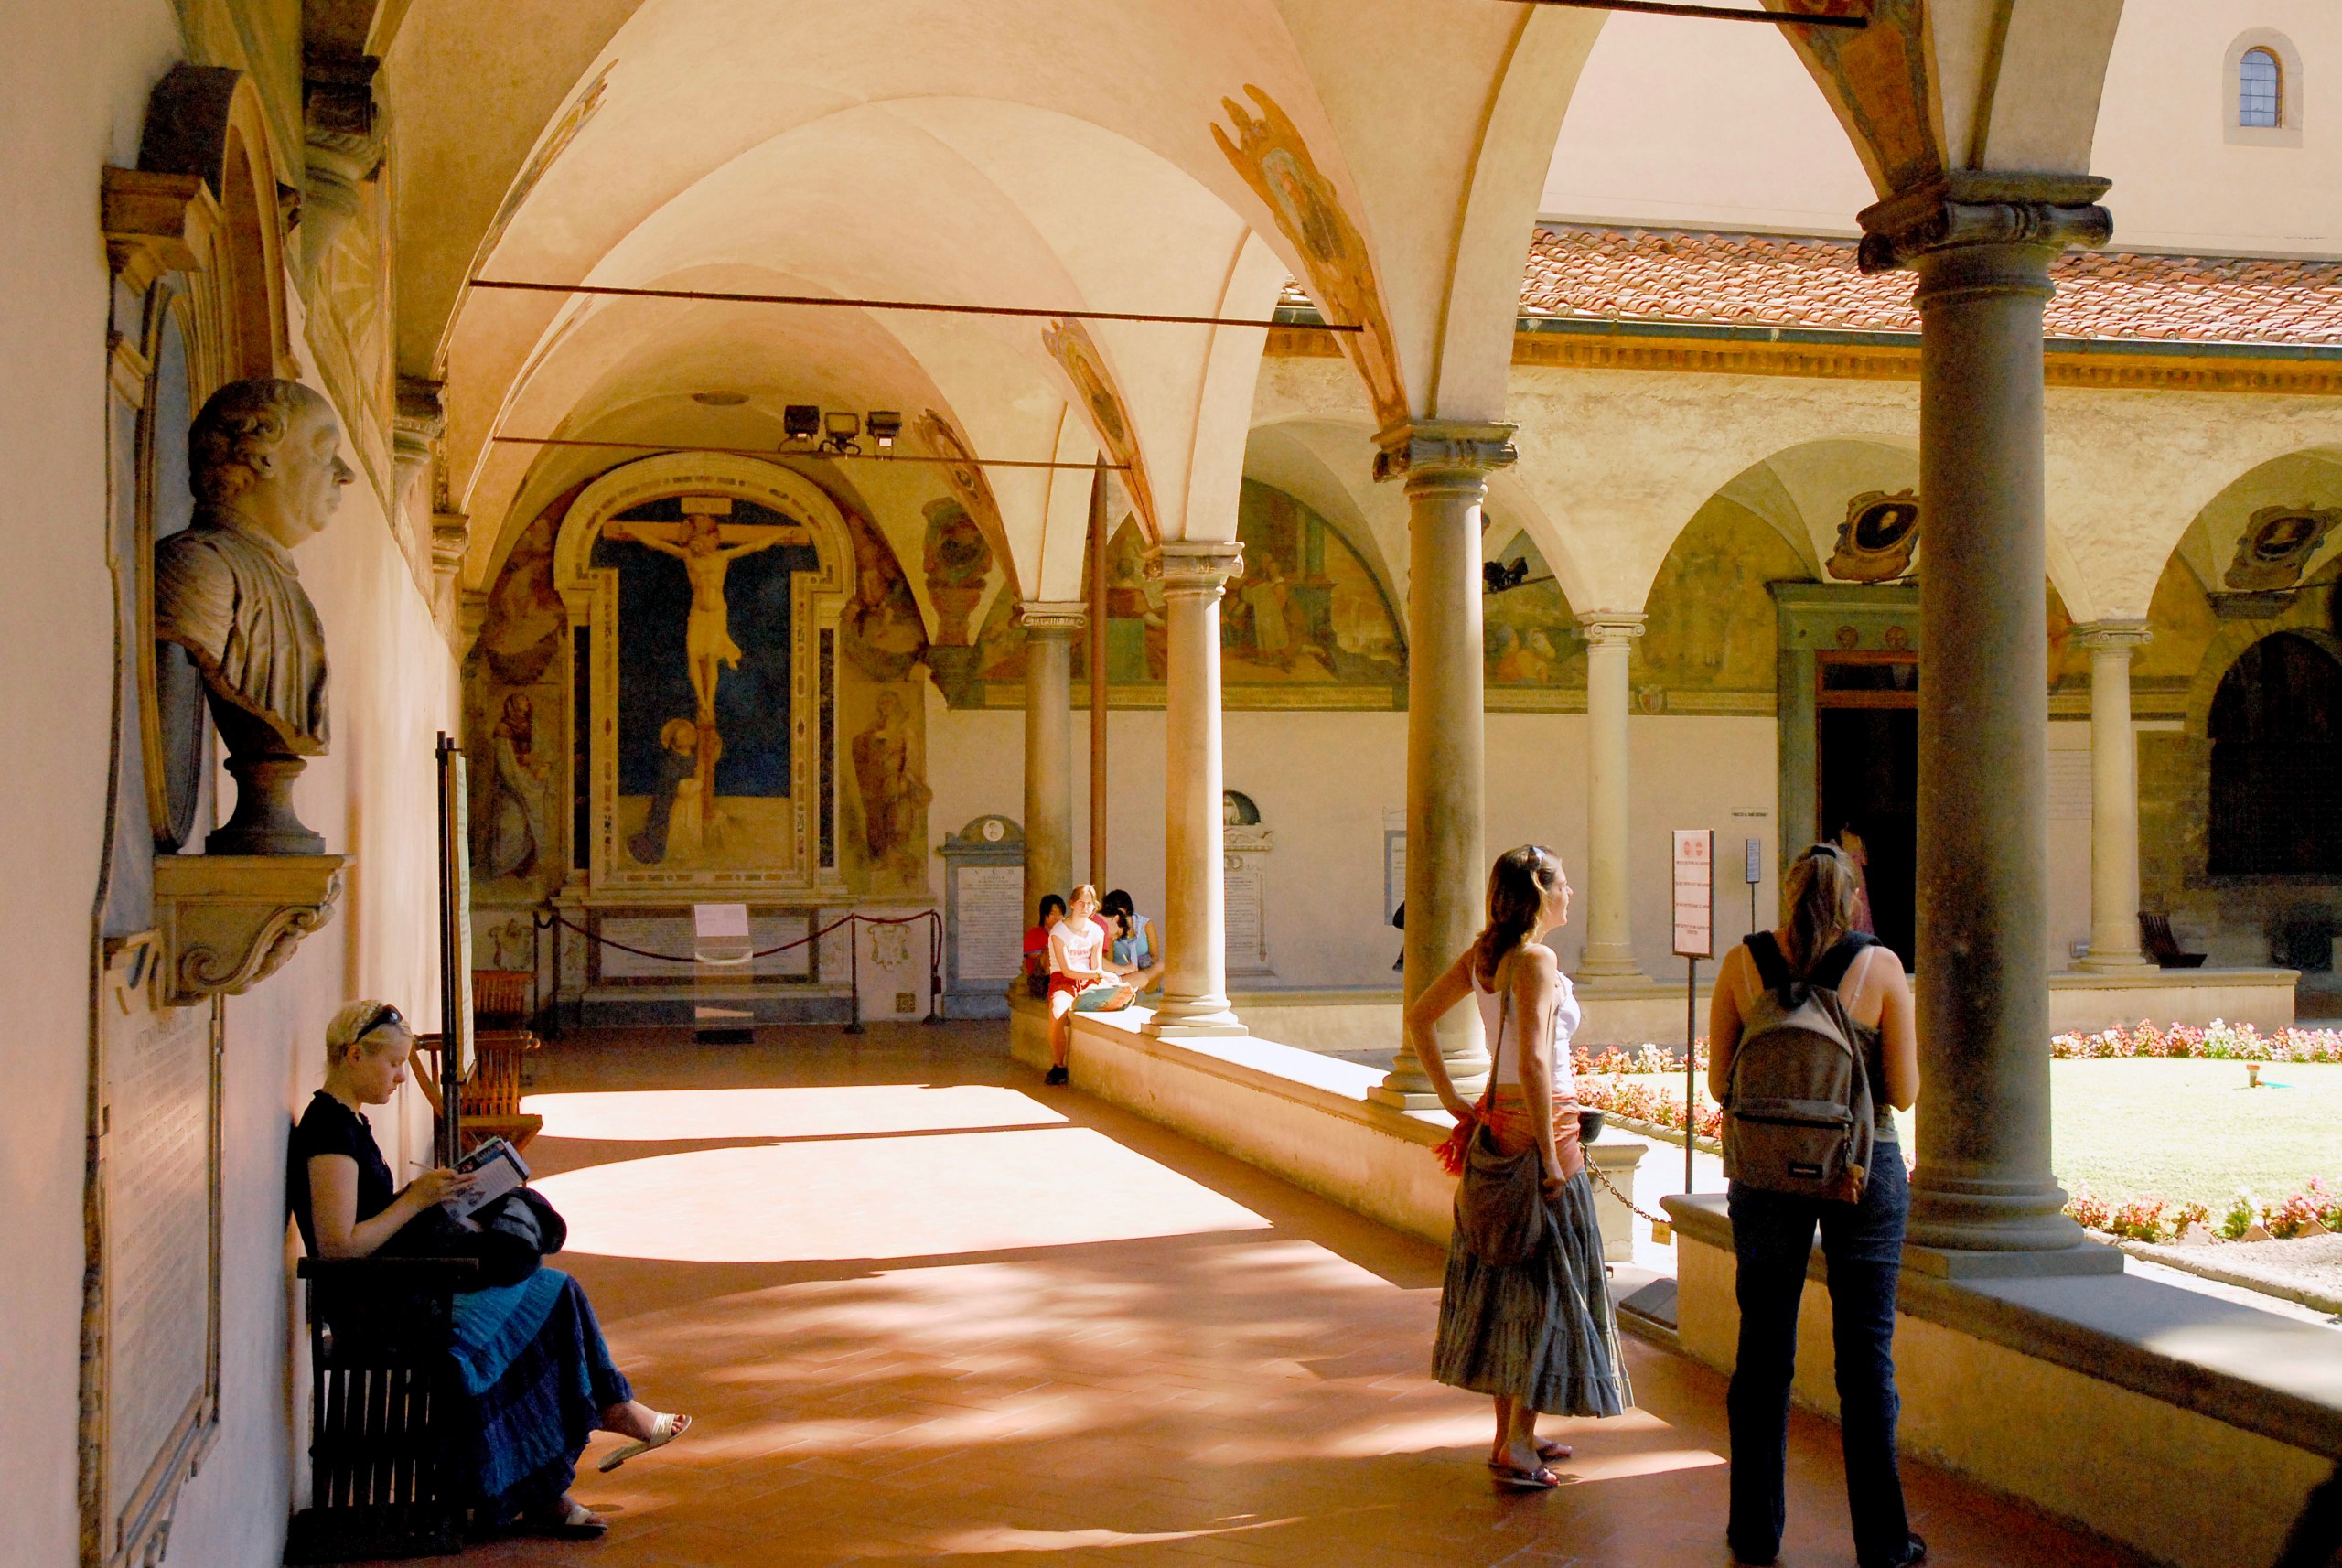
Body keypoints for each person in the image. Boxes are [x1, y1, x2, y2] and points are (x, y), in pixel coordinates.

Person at [289, 1001, 690, 1539]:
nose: (401, 1076)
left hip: (401, 1288)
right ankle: (578, 1451)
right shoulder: (330, 1133)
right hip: (382, 1307)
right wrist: (415, 1200)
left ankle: (585, 1443)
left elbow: (365, 1223)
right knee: (548, 1298)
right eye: (392, 1064)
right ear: (355, 1054)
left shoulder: (347, 1122)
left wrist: (432, 1195)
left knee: (549, 1295)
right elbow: (338, 1249)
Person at [1706, 843, 1923, 1568]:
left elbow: (1717, 1083)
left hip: (1766, 1177)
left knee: (1762, 1353)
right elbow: (1902, 1090)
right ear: (1851, 899)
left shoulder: (1742, 965)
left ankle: (1755, 1529)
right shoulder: (1881, 967)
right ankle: (1884, 1543)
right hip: (1861, 1169)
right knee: (1867, 1361)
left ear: (1788, 895)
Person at [1406, 846, 1631, 1488]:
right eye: (1564, 882)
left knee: (1510, 1283)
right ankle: (1517, 1443)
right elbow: (1534, 1061)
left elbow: (1420, 1016)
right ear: (1540, 889)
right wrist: (1556, 1159)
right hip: (1539, 1127)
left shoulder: (1487, 956)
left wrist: (1455, 1098)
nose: (1571, 894)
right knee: (1546, 1285)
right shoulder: (1534, 958)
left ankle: (1513, 1435)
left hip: (1499, 1122)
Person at [1044, 885, 1130, 1085]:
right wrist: (1100, 974)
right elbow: (1067, 970)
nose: (1085, 907)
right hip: (1063, 981)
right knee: (1057, 1015)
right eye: (1081, 903)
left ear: (1094, 907)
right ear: (1073, 904)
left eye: (1089, 904)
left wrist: (1103, 978)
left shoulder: (1097, 931)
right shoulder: (1059, 932)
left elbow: (1096, 965)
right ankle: (1058, 1066)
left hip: (1089, 980)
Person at [1100, 889, 1163, 993]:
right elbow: (1108, 961)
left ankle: (1141, 986)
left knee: (1160, 966)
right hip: (1121, 973)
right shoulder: (1110, 930)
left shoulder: (1146, 924)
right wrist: (1124, 969)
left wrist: (1142, 965)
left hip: (1145, 970)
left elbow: (1155, 956)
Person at [1023, 893, 1066, 1000]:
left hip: (1062, 976)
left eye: (1060, 914)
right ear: (1045, 915)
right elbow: (1034, 956)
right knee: (1050, 950)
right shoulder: (1034, 934)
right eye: (1053, 913)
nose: (1057, 917)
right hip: (1039, 979)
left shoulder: (1066, 933)